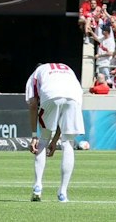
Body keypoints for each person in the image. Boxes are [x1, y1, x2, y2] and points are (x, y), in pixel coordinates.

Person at [24, 61, 83, 203]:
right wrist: (56, 140)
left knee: (43, 140)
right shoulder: (66, 68)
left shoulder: (36, 74)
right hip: (74, 97)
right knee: (68, 143)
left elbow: (32, 105)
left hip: (51, 95)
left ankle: (37, 186)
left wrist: (34, 136)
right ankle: (63, 193)